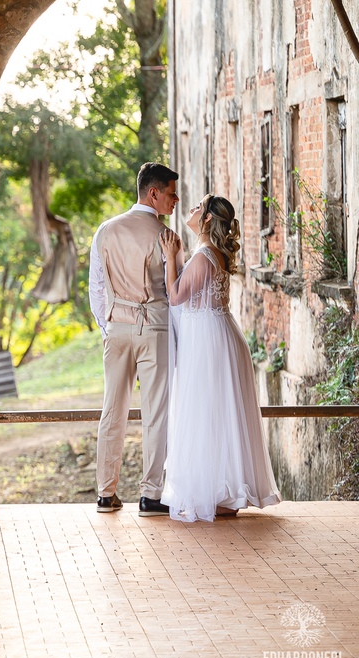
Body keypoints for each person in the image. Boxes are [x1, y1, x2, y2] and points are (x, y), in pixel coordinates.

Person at [158, 195, 282, 521]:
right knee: (216, 413)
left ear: (209, 219)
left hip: (207, 341)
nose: (191, 209)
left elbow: (175, 296)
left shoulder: (204, 257)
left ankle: (217, 494)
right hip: (218, 334)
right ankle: (222, 494)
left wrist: (171, 257)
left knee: (207, 413)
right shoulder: (212, 254)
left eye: (198, 207)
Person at [89, 162, 179, 516]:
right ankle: (150, 495)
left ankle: (105, 494)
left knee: (113, 410)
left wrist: (106, 325)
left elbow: (97, 287)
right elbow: (174, 294)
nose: (174, 201)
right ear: (153, 193)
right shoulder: (167, 237)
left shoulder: (105, 231)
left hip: (116, 328)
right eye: (171, 193)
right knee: (155, 412)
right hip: (154, 328)